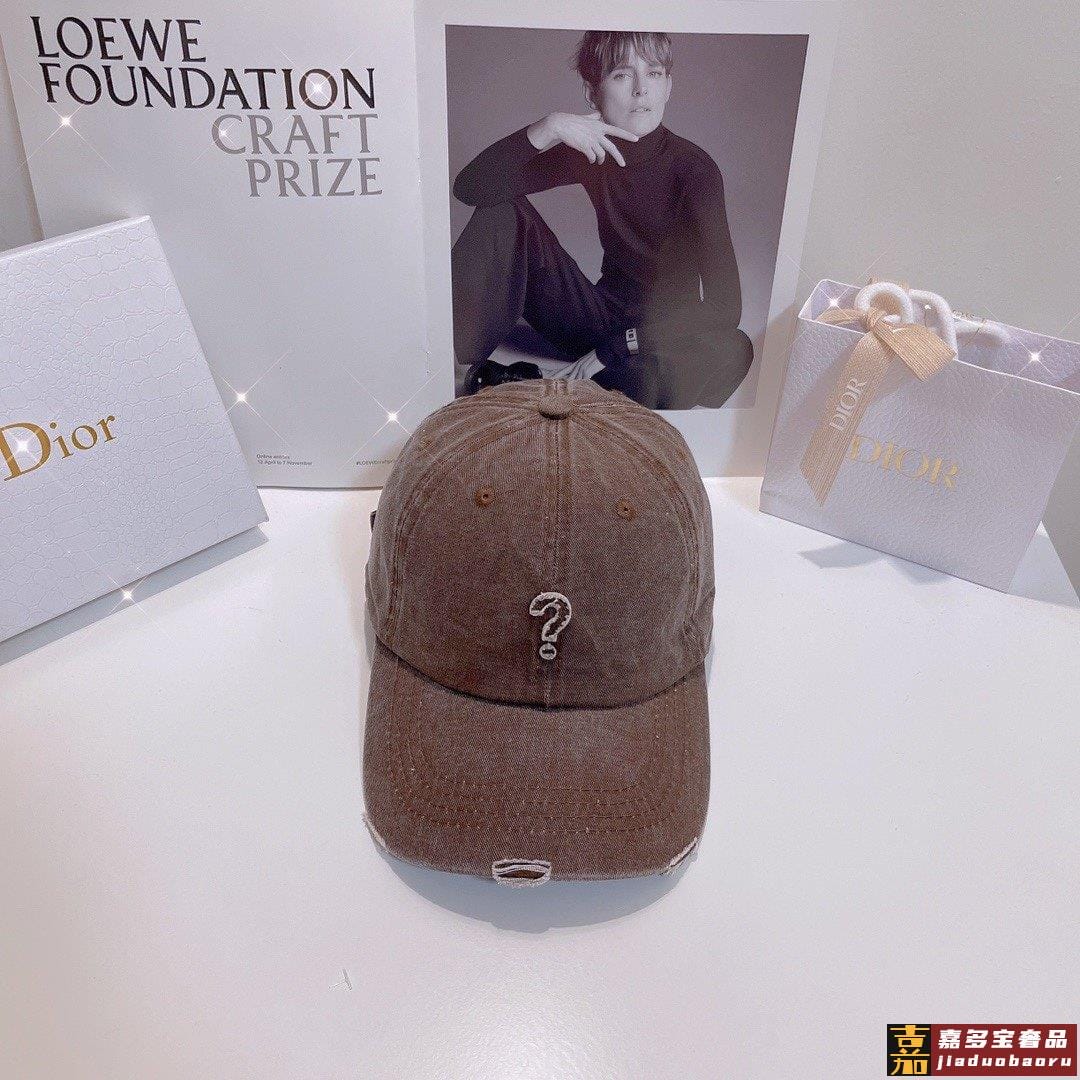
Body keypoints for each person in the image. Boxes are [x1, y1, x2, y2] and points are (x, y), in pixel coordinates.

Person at [450, 29, 754, 409]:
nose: (641, 90)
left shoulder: (694, 169)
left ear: (668, 87)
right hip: (599, 319)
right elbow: (472, 188)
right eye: (622, 75)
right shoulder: (592, 153)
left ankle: (534, 381)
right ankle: (457, 359)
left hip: (666, 335)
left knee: (735, 348)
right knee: (501, 209)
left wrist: (617, 348)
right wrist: (549, 127)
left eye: (654, 73)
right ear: (592, 93)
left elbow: (726, 308)